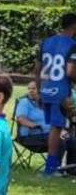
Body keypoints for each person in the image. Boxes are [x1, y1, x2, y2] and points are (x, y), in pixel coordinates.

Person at [34, 12, 76, 175]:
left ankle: (55, 166)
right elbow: (71, 71)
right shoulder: (72, 44)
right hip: (60, 92)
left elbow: (37, 70)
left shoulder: (46, 42)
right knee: (56, 128)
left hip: (46, 90)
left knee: (56, 128)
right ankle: (50, 168)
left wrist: (38, 91)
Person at [15, 78, 50, 150]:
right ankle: (54, 161)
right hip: (31, 137)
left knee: (72, 141)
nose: (31, 91)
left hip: (47, 134)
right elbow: (21, 119)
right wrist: (36, 126)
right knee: (60, 141)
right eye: (29, 89)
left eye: (34, 88)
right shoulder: (24, 102)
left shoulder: (43, 104)